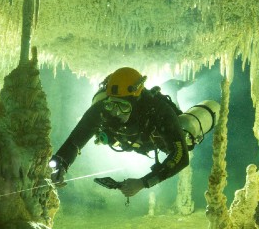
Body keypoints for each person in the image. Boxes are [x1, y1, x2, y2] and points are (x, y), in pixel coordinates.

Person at [49, 67, 218, 198]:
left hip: (153, 140)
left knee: (186, 138)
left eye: (123, 107)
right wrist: (61, 165)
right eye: (111, 105)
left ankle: (171, 86)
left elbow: (181, 157)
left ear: (136, 101)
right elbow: (75, 140)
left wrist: (143, 183)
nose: (115, 113)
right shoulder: (101, 109)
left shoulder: (157, 111)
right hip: (125, 140)